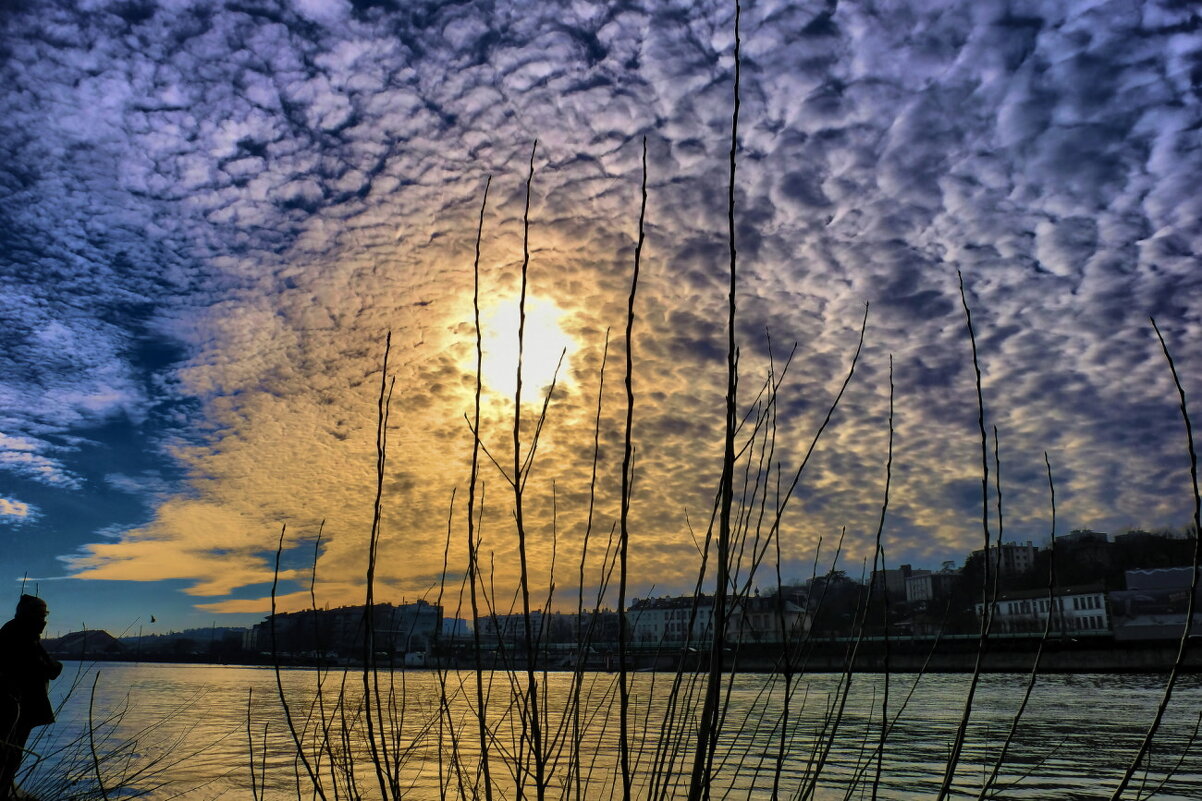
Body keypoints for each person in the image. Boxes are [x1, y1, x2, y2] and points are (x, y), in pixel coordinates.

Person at [0, 595, 62, 801]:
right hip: (15, 705)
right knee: (10, 751)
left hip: (21, 704)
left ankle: (6, 787)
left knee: (12, 751)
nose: (43, 618)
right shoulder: (20, 634)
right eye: (40, 613)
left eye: (45, 614)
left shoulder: (25, 632)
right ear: (28, 613)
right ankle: (3, 789)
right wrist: (51, 667)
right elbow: (37, 667)